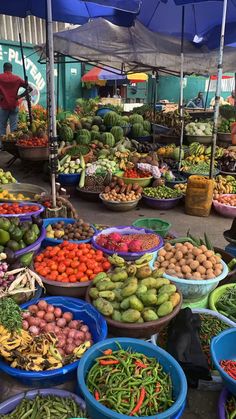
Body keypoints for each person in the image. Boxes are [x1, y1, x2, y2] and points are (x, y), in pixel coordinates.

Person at [0, 62, 32, 138]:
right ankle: (13, 146)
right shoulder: (17, 78)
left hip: (3, 105)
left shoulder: (0, 77)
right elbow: (30, 88)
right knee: (14, 128)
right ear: (11, 69)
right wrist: (20, 96)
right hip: (14, 105)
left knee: (1, 127)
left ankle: (1, 146)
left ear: (4, 68)